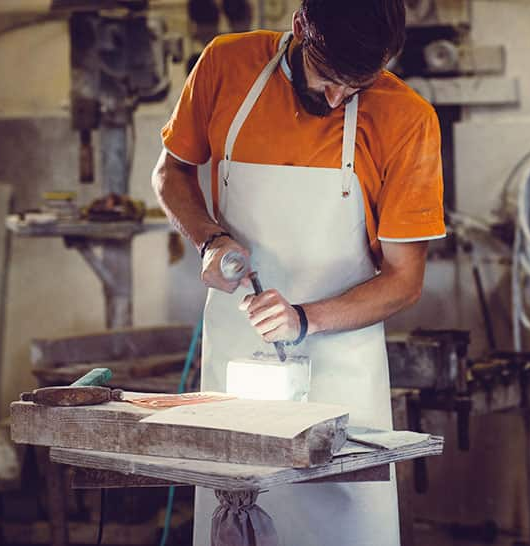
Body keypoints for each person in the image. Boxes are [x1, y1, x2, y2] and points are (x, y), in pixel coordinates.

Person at [151, 0, 445, 544]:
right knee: (234, 514)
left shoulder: (407, 119)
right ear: (301, 28)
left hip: (343, 382)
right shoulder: (225, 65)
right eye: (329, 79)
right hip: (239, 368)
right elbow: (171, 172)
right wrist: (209, 240)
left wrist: (304, 319)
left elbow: (405, 279)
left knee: (341, 525)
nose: (337, 100)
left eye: (356, 86)